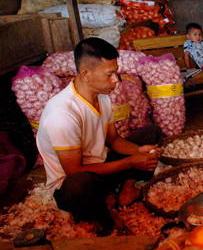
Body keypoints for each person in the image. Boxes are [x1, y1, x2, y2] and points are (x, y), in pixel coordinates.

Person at [36, 37, 163, 235]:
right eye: (109, 74)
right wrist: (130, 163)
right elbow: (74, 170)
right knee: (81, 185)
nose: (115, 80)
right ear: (86, 74)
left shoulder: (101, 97)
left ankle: (126, 192)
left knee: (152, 133)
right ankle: (106, 218)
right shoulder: (62, 114)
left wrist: (139, 151)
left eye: (116, 73)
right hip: (74, 185)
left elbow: (112, 140)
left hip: (102, 168)